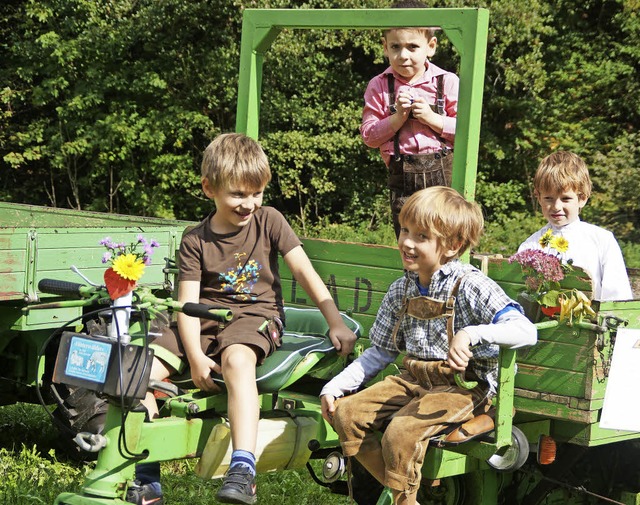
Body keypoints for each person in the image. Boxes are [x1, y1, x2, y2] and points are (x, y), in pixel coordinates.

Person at [127, 133, 358, 505]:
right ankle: (146, 477)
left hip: (256, 315)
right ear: (209, 188)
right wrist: (197, 357)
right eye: (238, 194)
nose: (249, 203)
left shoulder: (270, 221)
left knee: (236, 358)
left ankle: (243, 468)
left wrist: (335, 320)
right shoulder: (195, 240)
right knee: (136, 373)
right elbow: (186, 305)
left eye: (257, 193)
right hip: (202, 318)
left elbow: (304, 271)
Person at [320, 186, 537, 505]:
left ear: (453, 245)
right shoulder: (401, 289)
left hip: (465, 388)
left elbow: (525, 330)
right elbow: (380, 351)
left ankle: (403, 497)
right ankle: (404, 494)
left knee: (401, 431)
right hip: (414, 380)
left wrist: (472, 334)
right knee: (347, 414)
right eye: (405, 230)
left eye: (421, 236)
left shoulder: (470, 285)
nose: (406, 242)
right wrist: (335, 386)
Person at [360, 0, 459, 237]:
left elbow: (467, 131)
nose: (403, 55)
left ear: (431, 46)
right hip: (402, 178)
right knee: (409, 240)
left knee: (446, 236)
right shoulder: (379, 85)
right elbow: (369, 136)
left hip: (443, 178)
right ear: (385, 47)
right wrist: (397, 119)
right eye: (395, 47)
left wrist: (432, 118)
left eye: (412, 47)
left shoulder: (447, 81)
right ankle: (412, 275)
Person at [518, 151, 632, 301]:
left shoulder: (601, 240)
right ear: (538, 198)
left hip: (592, 322)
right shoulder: (530, 246)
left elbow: (617, 296)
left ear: (582, 198)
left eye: (565, 199)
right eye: (548, 198)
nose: (556, 206)